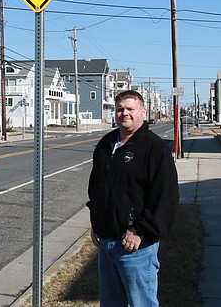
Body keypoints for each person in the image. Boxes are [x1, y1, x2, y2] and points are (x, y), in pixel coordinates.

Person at [87, 90, 179, 306]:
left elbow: (166, 197)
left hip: (136, 247)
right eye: (120, 109)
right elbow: (97, 187)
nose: (124, 113)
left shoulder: (153, 147)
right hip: (107, 243)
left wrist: (141, 230)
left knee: (141, 303)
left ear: (143, 112)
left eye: (130, 109)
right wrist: (95, 222)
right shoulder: (106, 144)